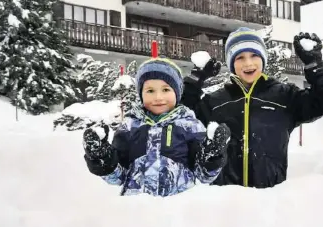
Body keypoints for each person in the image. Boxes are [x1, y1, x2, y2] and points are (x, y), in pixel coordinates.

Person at [181, 28, 323, 188]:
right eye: (240, 57)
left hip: (269, 199)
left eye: (254, 55)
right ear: (231, 63)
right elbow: (183, 116)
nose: (248, 63)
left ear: (263, 59)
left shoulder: (284, 96)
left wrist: (315, 65)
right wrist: (194, 81)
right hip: (226, 199)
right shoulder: (215, 101)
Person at [82, 57, 231, 196]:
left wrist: (212, 158)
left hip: (179, 211)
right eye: (150, 91)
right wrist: (103, 161)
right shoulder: (130, 126)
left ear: (177, 93)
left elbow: (203, 176)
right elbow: (118, 177)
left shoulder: (190, 126)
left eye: (166, 89)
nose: (158, 97)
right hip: (137, 211)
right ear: (141, 94)